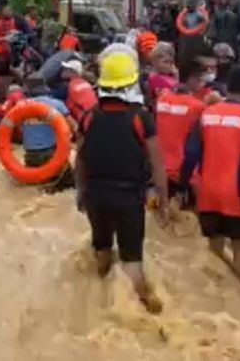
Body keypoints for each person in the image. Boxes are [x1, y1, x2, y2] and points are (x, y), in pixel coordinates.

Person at [75, 51, 169, 314]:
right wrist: (162, 200)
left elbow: (80, 159)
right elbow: (157, 163)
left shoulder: (88, 116)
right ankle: (147, 307)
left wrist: (81, 191)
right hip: (128, 198)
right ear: (131, 84)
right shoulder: (141, 118)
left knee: (102, 248)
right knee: (131, 258)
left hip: (95, 194)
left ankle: (100, 298)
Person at [179, 65, 240, 288]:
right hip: (237, 196)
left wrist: (183, 185)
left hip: (207, 194)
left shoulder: (207, 114)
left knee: (214, 253)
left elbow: (191, 154)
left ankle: (218, 298)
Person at [155, 61, 207, 209]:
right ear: (192, 79)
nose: (202, 83)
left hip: (158, 170)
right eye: (200, 78)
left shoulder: (162, 100)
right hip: (185, 174)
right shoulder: (198, 107)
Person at [20, 73, 76, 191]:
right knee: (69, 189)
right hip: (53, 154)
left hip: (31, 157)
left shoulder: (20, 107)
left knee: (36, 190)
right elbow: (74, 127)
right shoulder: (57, 104)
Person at [60, 58, 97, 123]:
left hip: (83, 121)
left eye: (66, 68)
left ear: (73, 72)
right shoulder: (85, 83)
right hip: (93, 118)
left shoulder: (69, 86)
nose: (63, 70)